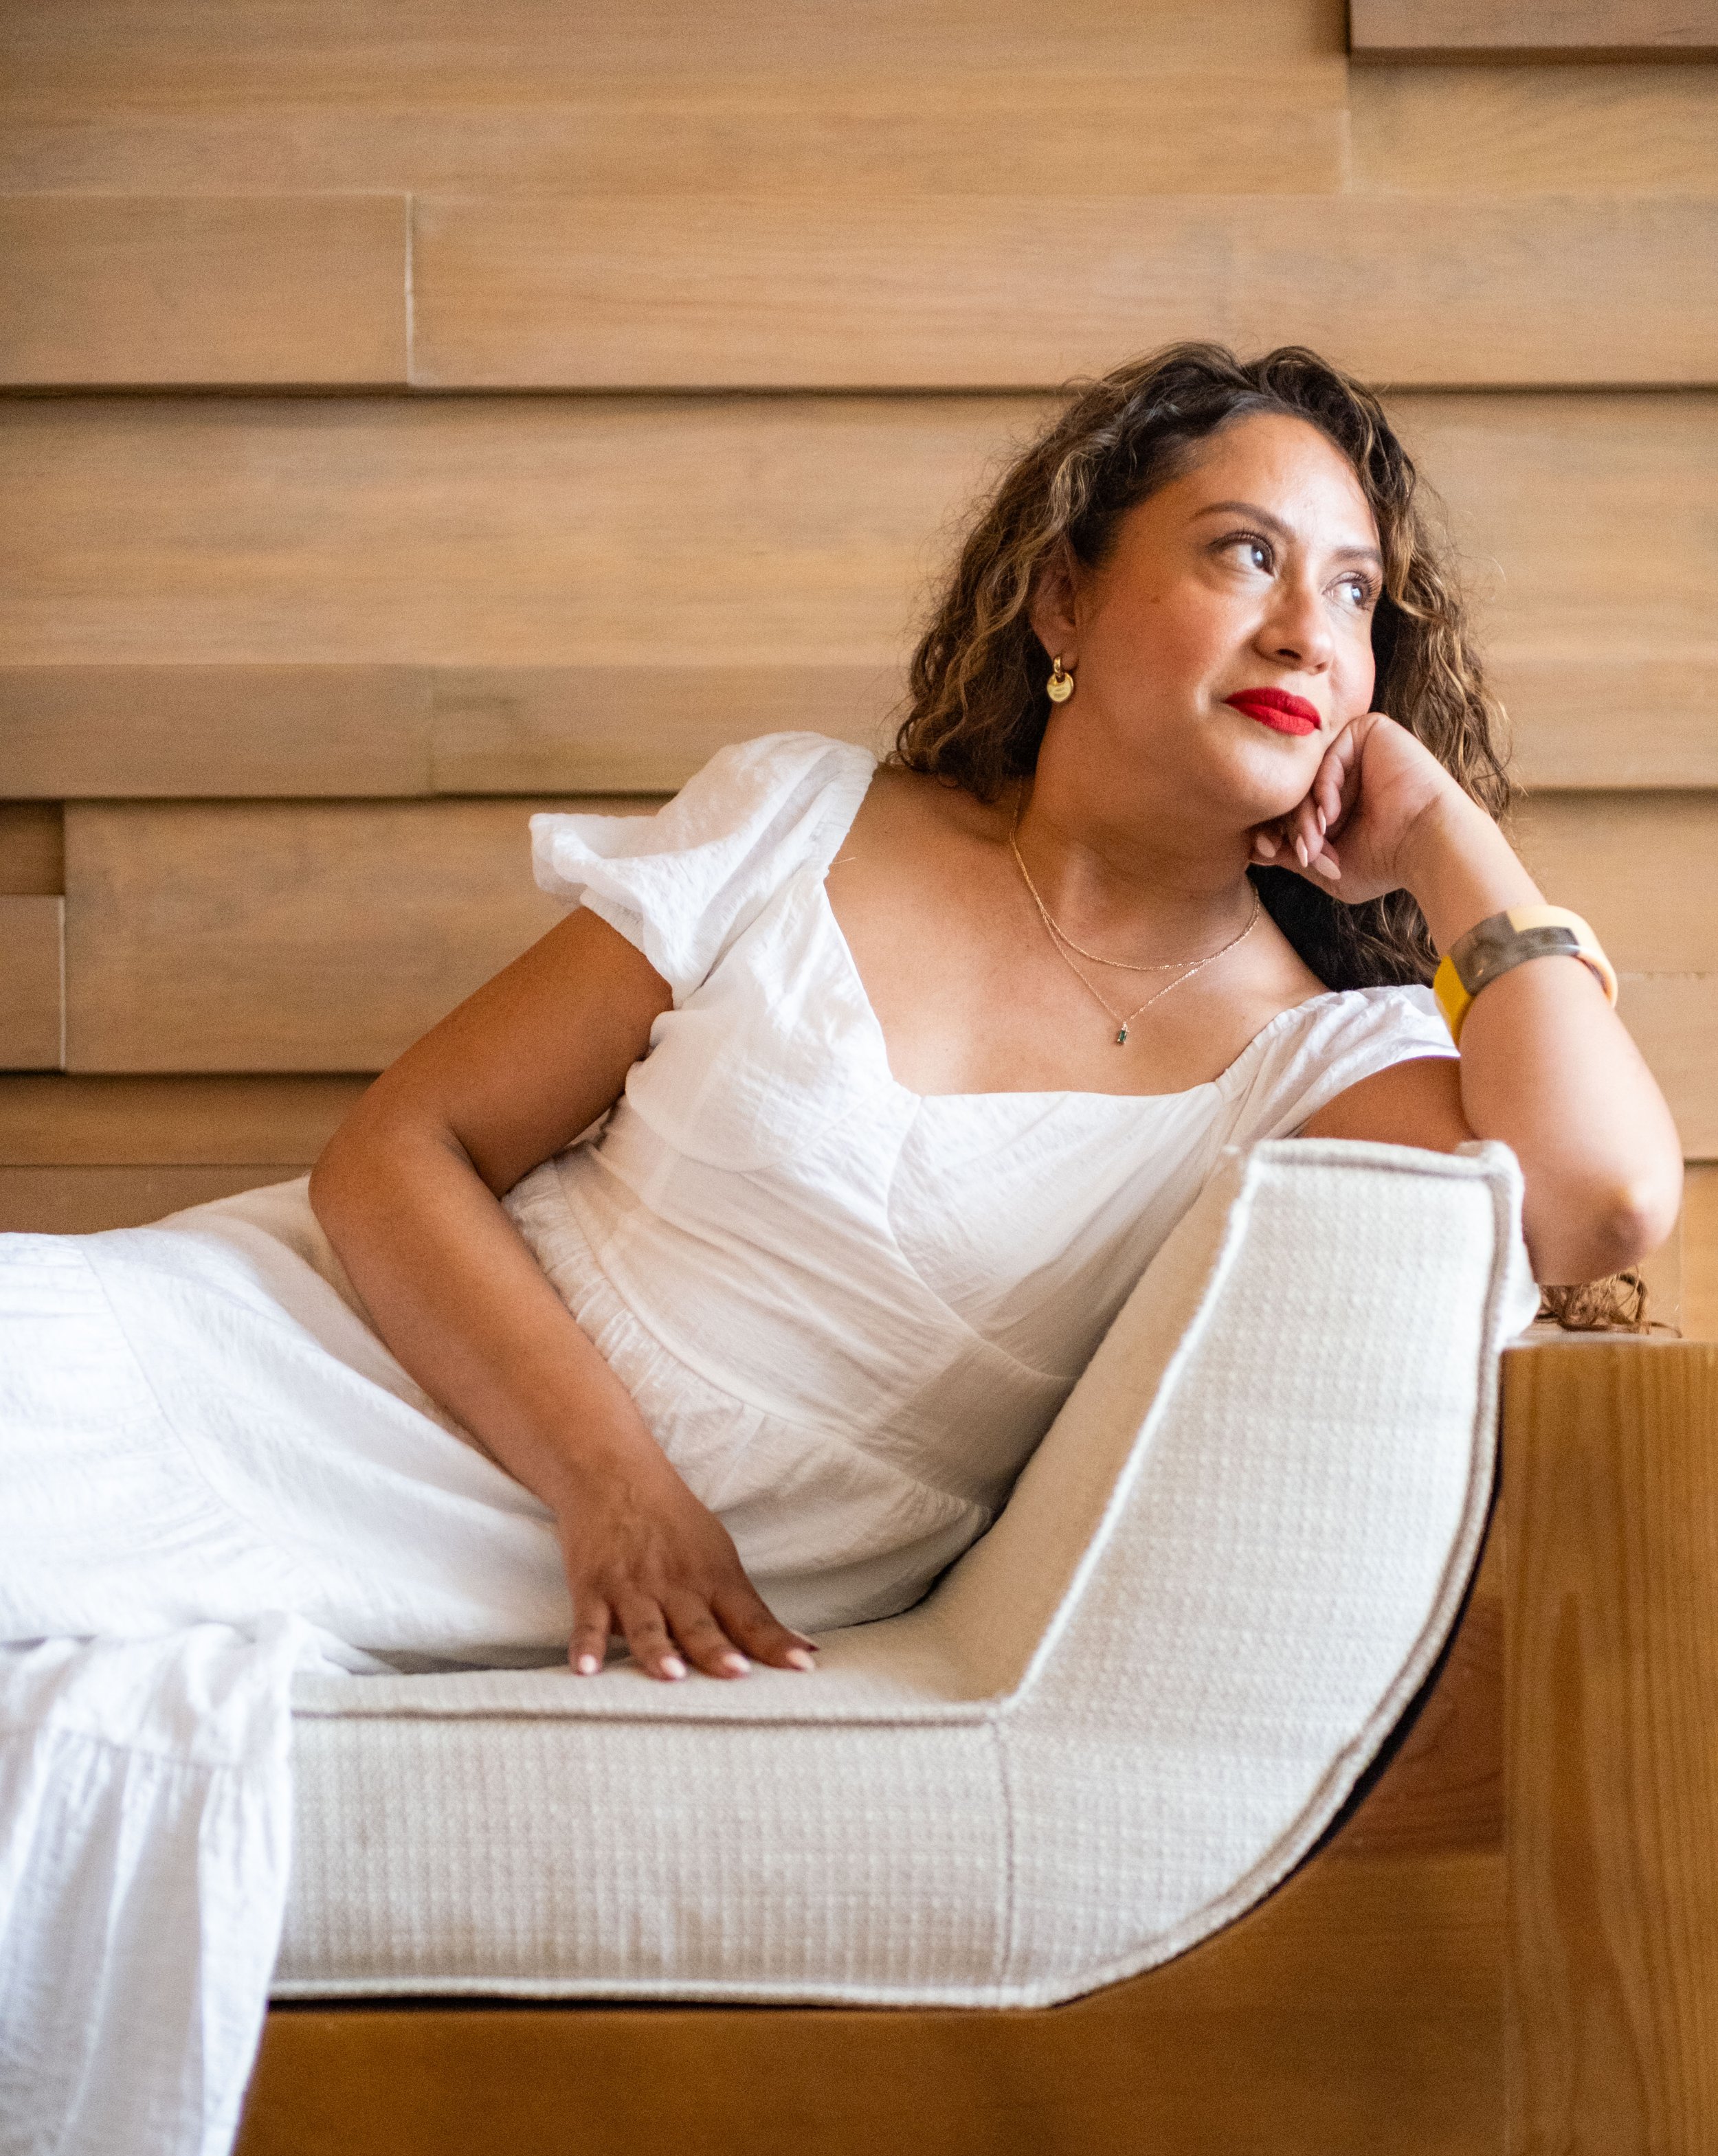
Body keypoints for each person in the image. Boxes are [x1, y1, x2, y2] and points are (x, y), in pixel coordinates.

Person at [3, 341, 1685, 1683]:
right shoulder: (801, 817)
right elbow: (401, 1149)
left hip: (469, 1559)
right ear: (1062, 604)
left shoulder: (1311, 1063)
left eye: (1348, 593)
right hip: (278, 1357)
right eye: (1242, 552)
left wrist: (1452, 850)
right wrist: (618, 1489)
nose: (1298, 631)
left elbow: (1601, 1194)